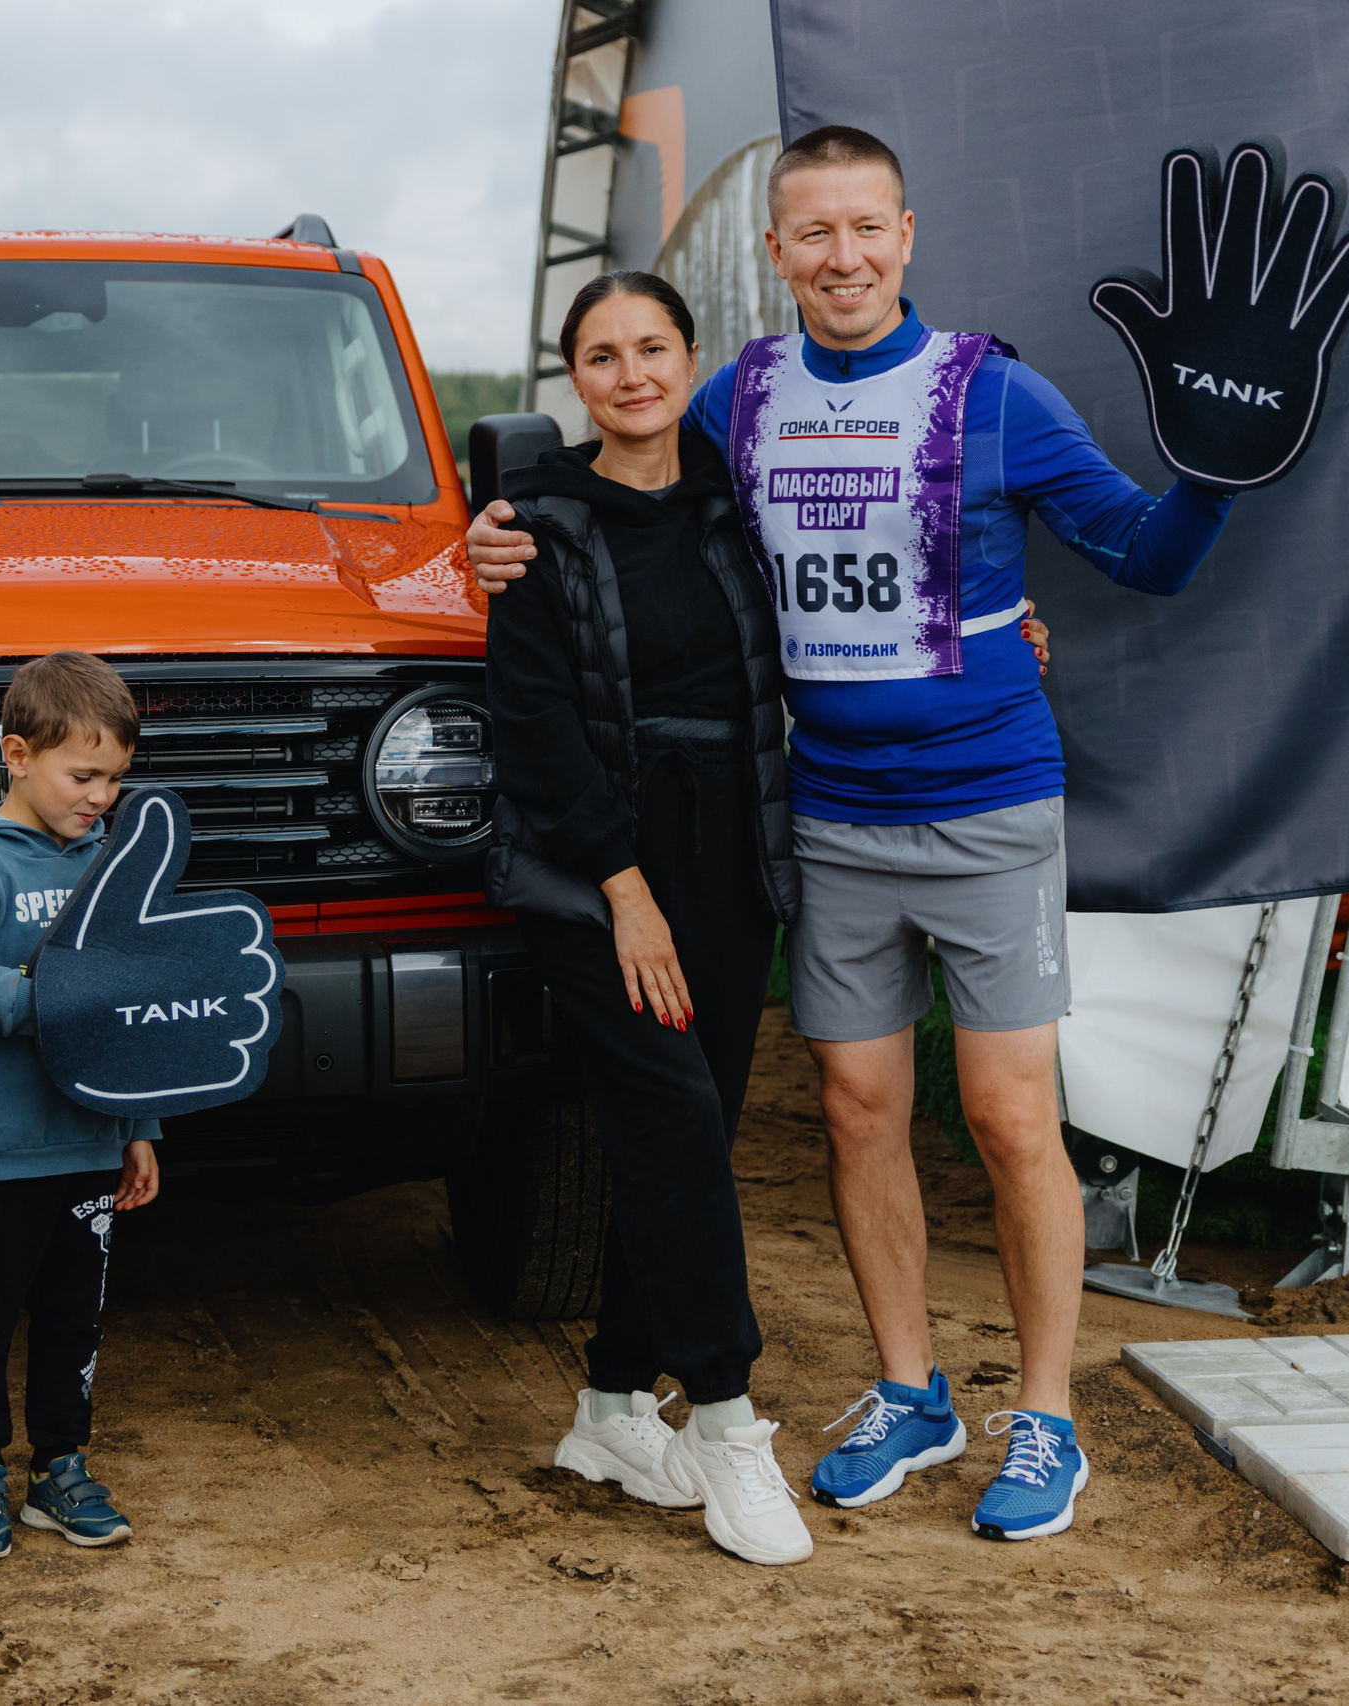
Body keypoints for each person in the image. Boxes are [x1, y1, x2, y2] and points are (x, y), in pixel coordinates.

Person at [471, 126, 1233, 1543]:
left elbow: (1147, 554)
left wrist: (1220, 471)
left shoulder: (995, 393)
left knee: (1009, 1119)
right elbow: (629, 488)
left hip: (990, 799)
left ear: (907, 232)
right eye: (812, 233)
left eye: (865, 228)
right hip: (823, 814)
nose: (842, 256)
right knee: (855, 1112)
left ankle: (1049, 1417)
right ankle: (909, 1389)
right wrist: (495, 537)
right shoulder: (737, 401)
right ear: (776, 254)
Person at [487, 270, 811, 1567]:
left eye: (654, 347)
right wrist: (625, 888)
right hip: (595, 868)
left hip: (728, 845)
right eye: (603, 355)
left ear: (691, 360)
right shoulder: (536, 523)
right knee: (671, 1112)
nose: (632, 373)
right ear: (576, 380)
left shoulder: (737, 500)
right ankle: (729, 1422)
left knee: (693, 1126)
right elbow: (535, 724)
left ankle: (613, 1407)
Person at [0, 650, 162, 1563]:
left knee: (73, 1318)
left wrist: (138, 1129)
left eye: (115, 781)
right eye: (82, 774)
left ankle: (59, 1467)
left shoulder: (109, 866)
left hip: (88, 1142)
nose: (100, 797)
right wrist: (50, 1002)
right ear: (17, 754)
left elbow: (129, 1006)